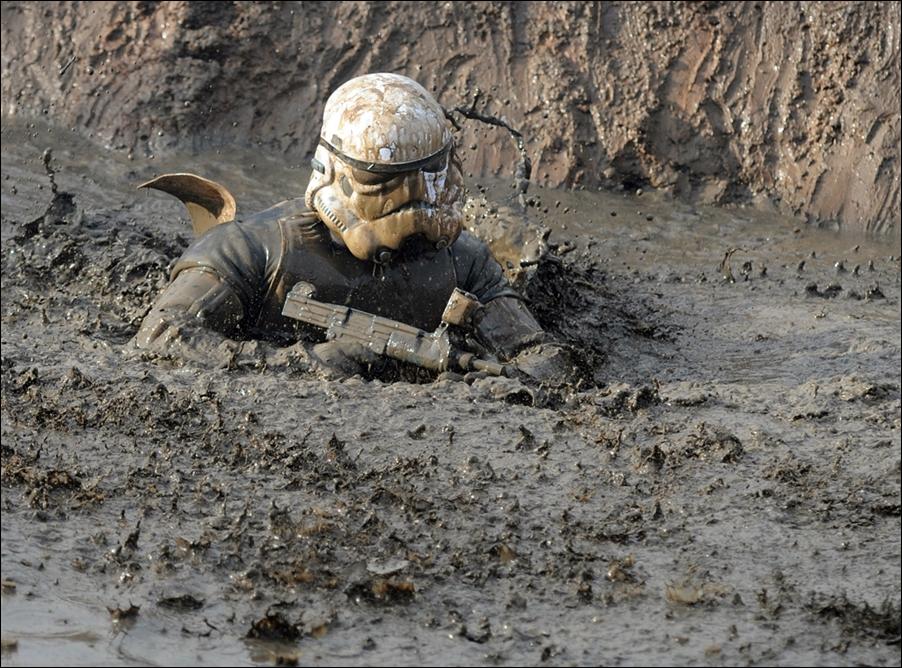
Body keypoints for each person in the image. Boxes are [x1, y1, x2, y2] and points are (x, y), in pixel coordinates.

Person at [135, 73, 566, 381]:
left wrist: (481, 387)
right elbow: (162, 337)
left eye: (430, 174)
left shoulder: (465, 263)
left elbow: (544, 359)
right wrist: (306, 363)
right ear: (331, 171)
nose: (415, 201)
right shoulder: (252, 250)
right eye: (387, 183)